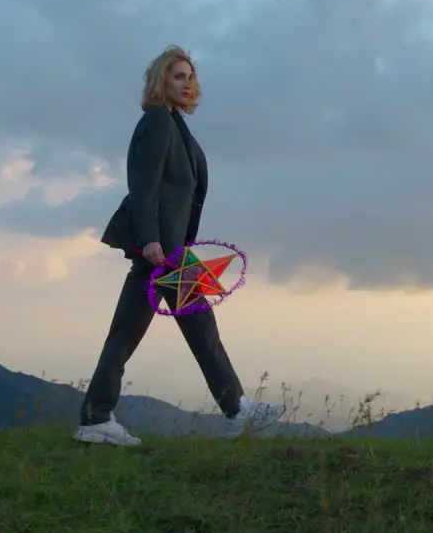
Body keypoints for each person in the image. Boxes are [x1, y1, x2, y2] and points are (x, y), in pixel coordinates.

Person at [74, 45, 284, 446]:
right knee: (188, 326)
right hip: (160, 248)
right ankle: (237, 409)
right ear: (161, 82)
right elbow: (143, 184)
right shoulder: (156, 121)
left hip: (167, 248)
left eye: (190, 77)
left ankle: (96, 417)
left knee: (139, 331)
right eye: (178, 77)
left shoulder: (173, 124)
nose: (187, 85)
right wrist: (150, 238)